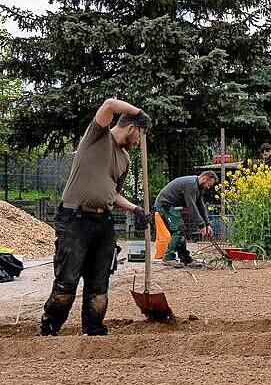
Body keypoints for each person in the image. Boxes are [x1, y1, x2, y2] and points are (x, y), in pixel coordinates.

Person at [41, 99, 153, 336]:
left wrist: (136, 209)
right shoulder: (97, 137)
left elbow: (113, 195)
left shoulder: (125, 159)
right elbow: (110, 104)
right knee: (67, 282)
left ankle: (93, 330)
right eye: (141, 135)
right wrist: (138, 112)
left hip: (103, 222)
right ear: (133, 127)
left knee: (99, 285)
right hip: (74, 219)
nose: (139, 142)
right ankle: (49, 329)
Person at [154, 171, 218, 268]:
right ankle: (168, 257)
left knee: (181, 230)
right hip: (165, 205)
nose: (208, 187)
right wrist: (201, 225)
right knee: (178, 230)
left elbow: (200, 206)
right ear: (204, 179)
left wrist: (207, 224)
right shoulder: (191, 184)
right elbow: (191, 206)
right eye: (208, 185)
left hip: (172, 206)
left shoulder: (198, 187)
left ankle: (186, 259)